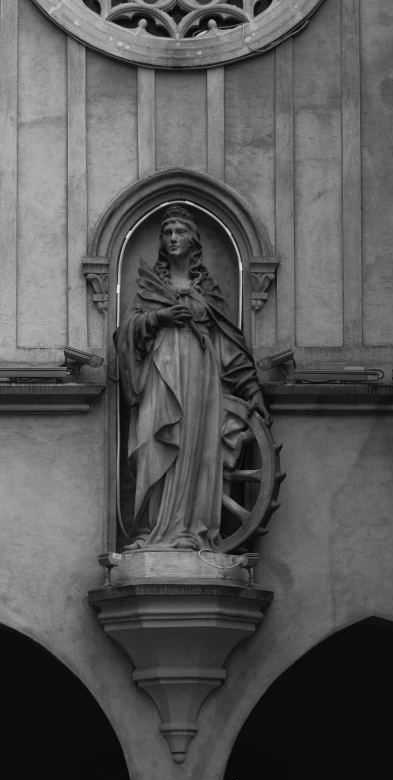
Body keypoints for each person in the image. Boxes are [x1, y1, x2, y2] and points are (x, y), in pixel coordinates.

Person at [115, 205, 269, 551]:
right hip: (159, 374)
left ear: (193, 240)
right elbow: (125, 332)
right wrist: (160, 318)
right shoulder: (149, 288)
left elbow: (228, 345)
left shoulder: (207, 292)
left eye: (179, 232)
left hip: (200, 374)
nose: (172, 238)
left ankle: (187, 529)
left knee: (192, 448)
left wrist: (251, 388)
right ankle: (152, 529)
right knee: (155, 443)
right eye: (167, 233)